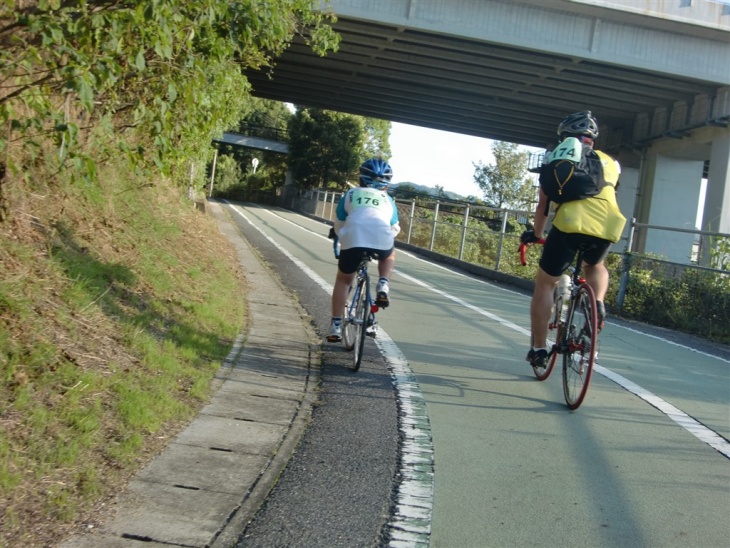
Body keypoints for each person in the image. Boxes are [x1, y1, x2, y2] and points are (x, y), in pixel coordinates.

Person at [521, 111, 624, 369]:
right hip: (608, 224)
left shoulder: (558, 156)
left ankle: (539, 349)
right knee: (595, 266)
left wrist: (536, 234)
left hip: (571, 224)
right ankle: (597, 302)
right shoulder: (612, 163)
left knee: (545, 283)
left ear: (564, 137)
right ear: (593, 140)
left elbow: (544, 203)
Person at [327, 157, 401, 342]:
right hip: (381, 237)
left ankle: (336, 325)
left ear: (361, 177)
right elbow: (394, 228)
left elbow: (339, 223)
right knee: (389, 253)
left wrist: (340, 235)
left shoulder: (350, 194)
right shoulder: (388, 199)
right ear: (387, 182)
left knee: (344, 280)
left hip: (354, 238)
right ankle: (383, 283)